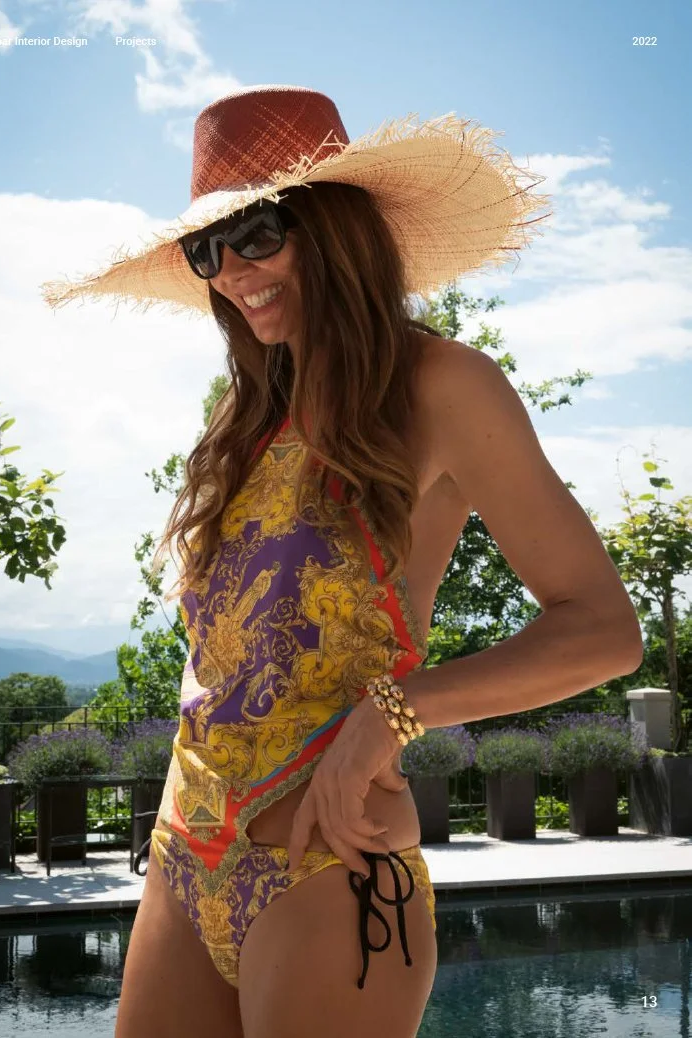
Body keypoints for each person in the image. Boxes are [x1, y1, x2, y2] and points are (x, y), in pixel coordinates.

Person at [42, 85, 644, 1038]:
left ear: (334, 227)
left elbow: (604, 631)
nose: (231, 272)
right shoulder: (242, 419)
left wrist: (392, 715)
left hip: (332, 869)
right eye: (206, 251)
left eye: (256, 234)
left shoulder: (441, 385)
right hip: (183, 856)